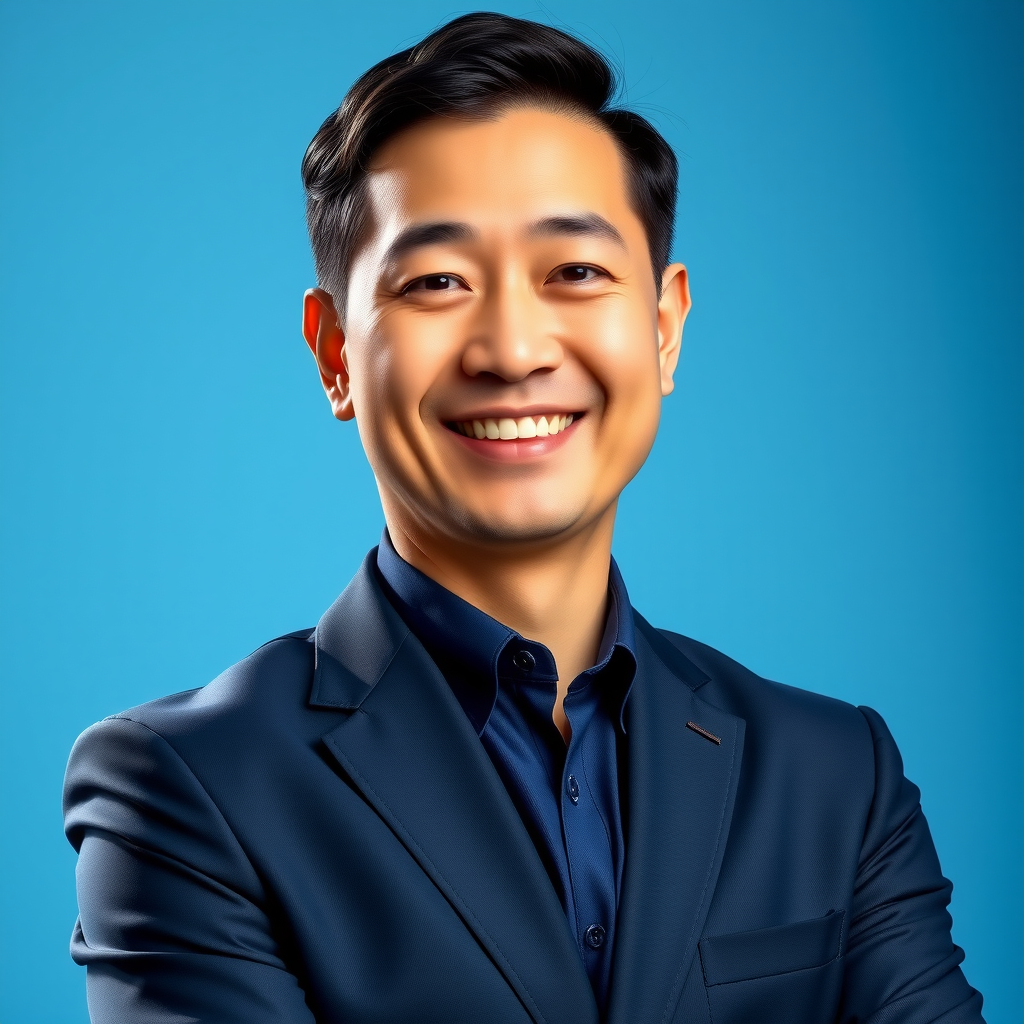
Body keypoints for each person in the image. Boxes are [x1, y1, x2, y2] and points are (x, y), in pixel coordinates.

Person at [62, 13, 984, 1024]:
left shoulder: (834, 776)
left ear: (665, 327)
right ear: (333, 354)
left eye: (575, 272)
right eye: (437, 283)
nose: (511, 347)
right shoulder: (187, 788)